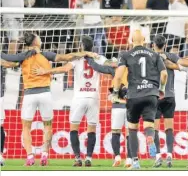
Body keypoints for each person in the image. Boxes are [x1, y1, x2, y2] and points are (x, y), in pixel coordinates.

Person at [2, 33, 91, 166]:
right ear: (35, 42)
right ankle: (44, 154)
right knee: (47, 126)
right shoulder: (45, 54)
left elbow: (8, 63)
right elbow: (65, 57)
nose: (41, 39)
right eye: (38, 37)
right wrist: (84, 53)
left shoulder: (22, 57)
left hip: (29, 94)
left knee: (26, 127)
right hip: (45, 93)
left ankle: (30, 156)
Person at [31, 36, 108, 167]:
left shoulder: (76, 58)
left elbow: (63, 69)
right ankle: (89, 158)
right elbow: (109, 65)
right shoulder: (99, 58)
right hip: (94, 97)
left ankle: (78, 158)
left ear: (82, 47)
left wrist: (46, 71)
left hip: (79, 97)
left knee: (74, 128)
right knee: (92, 130)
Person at [113, 25, 167, 170]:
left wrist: (115, 91)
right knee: (149, 125)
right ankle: (150, 137)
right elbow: (164, 74)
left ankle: (135, 161)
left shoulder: (125, 54)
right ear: (144, 40)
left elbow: (118, 76)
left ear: (131, 40)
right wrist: (161, 89)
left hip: (134, 95)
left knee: (132, 129)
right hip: (151, 94)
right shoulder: (155, 54)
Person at [151, 35, 188, 168]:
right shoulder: (172, 56)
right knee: (169, 128)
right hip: (169, 96)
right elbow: (185, 63)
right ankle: (169, 155)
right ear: (165, 44)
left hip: (155, 96)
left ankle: (157, 157)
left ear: (153, 45)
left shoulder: (149, 57)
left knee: (155, 129)